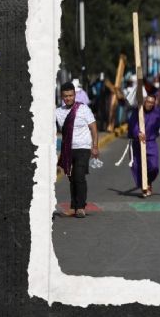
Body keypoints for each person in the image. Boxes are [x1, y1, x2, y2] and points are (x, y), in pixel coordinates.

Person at [56, 82, 98, 218]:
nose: (68, 98)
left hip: (83, 148)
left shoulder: (83, 109)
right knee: (71, 178)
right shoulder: (59, 112)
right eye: (65, 96)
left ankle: (80, 207)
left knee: (79, 175)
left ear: (75, 95)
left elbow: (93, 127)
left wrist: (95, 146)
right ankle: (74, 206)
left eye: (70, 95)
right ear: (62, 97)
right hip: (68, 149)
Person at [127, 95, 160, 197]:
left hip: (150, 142)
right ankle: (144, 187)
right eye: (148, 102)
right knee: (137, 167)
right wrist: (138, 133)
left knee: (154, 167)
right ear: (144, 101)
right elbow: (132, 124)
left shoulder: (157, 112)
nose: (149, 104)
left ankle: (148, 181)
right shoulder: (137, 111)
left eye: (152, 103)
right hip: (137, 142)